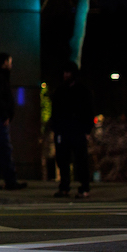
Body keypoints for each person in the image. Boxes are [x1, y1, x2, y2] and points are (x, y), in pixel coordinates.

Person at [0, 52, 28, 190]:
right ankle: (10, 181)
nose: (11, 65)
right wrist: (4, 115)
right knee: (5, 150)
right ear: (4, 63)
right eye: (9, 62)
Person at [50, 62, 95, 198]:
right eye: (64, 72)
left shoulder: (82, 91)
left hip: (77, 130)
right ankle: (65, 186)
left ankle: (83, 187)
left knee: (80, 161)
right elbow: (55, 112)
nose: (65, 75)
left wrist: (87, 130)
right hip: (64, 130)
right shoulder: (60, 91)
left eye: (68, 72)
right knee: (63, 160)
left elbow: (89, 111)